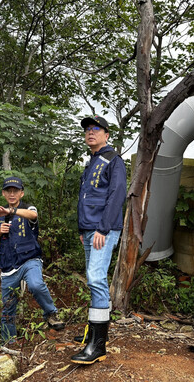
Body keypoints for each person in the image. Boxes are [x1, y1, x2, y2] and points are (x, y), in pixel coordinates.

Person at [71, 115, 127, 364]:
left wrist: (103, 229)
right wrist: (83, 228)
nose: (90, 133)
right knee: (93, 281)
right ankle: (93, 335)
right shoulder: (91, 162)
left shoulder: (113, 160)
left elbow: (117, 195)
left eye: (96, 129)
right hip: (89, 230)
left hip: (103, 230)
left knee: (95, 277)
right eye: (87, 130)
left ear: (106, 135)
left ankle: (99, 346)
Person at [0, 176, 65, 343]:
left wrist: (11, 211)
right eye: (8, 191)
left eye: (15, 191)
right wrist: (0, 231)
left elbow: (33, 215)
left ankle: (51, 314)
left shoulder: (27, 208)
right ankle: (10, 344)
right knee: (8, 308)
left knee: (36, 284)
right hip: (8, 264)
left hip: (29, 259)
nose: (12, 194)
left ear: (21, 193)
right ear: (3, 193)